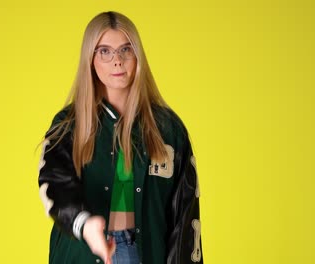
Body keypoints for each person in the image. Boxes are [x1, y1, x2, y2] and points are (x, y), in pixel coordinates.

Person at [38, 11, 203, 264]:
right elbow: (54, 183)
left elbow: (185, 218)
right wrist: (85, 225)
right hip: (84, 254)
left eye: (126, 50)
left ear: (138, 57)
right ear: (90, 59)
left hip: (145, 254)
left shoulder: (168, 129)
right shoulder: (69, 125)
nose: (117, 61)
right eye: (105, 51)